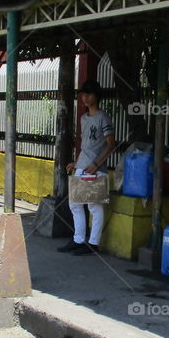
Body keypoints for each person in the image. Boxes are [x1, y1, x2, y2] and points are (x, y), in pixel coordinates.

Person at [59, 80, 116, 256]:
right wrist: (77, 162)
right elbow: (86, 144)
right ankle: (79, 239)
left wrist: (97, 164)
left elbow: (111, 144)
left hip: (95, 168)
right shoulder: (84, 118)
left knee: (94, 206)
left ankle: (93, 243)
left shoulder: (103, 117)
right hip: (83, 165)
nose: (85, 97)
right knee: (75, 204)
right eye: (83, 94)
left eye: (88, 94)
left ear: (96, 96)